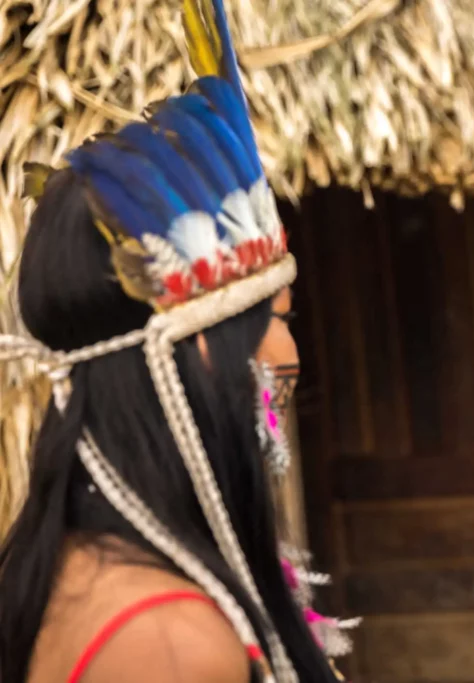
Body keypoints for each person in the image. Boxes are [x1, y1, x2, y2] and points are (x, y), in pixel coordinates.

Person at [0, 0, 344, 680]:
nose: (290, 359)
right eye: (279, 320)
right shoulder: (169, 642)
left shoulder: (69, 567)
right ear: (204, 348)